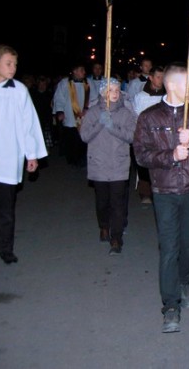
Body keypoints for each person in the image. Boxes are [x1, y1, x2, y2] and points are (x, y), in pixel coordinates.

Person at [133, 62, 189, 333]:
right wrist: (171, 155)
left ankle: (184, 282)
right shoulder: (148, 117)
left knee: (188, 243)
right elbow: (141, 155)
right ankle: (170, 305)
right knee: (169, 248)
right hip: (164, 191)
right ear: (172, 86)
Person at [0, 44, 48, 280]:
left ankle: (6, 249)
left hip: (7, 158)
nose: (13, 68)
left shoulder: (19, 91)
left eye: (15, 64)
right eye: (8, 63)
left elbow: (28, 124)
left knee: (6, 210)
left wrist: (31, 154)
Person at [79, 79, 137, 255]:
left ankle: (116, 238)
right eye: (110, 89)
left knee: (118, 203)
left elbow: (132, 136)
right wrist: (100, 123)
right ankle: (104, 226)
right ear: (103, 92)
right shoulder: (93, 112)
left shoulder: (126, 113)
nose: (114, 93)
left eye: (117, 90)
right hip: (99, 163)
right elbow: (85, 136)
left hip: (118, 164)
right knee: (102, 201)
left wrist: (113, 126)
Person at [132, 65, 166, 204]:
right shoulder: (140, 97)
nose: (161, 80)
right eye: (158, 77)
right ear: (150, 78)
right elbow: (135, 116)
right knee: (145, 164)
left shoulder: (167, 96)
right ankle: (145, 193)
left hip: (162, 136)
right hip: (145, 136)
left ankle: (161, 191)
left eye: (163, 77)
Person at [52, 63, 90, 166]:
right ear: (75, 71)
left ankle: (81, 158)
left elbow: (93, 98)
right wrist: (60, 111)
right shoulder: (65, 83)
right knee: (71, 139)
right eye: (82, 70)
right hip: (70, 117)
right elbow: (59, 98)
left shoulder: (87, 83)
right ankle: (72, 159)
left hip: (84, 116)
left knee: (82, 139)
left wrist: (87, 108)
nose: (84, 72)